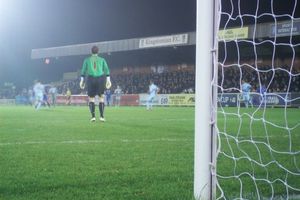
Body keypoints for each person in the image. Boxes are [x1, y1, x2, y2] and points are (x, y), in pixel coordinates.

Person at [80, 46, 111, 122]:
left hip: (90, 79)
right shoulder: (102, 60)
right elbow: (107, 70)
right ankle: (102, 117)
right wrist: (108, 80)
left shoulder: (87, 60)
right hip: (100, 79)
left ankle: (93, 117)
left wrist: (81, 81)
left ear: (91, 52)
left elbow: (83, 71)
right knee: (101, 98)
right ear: (98, 52)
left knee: (91, 98)